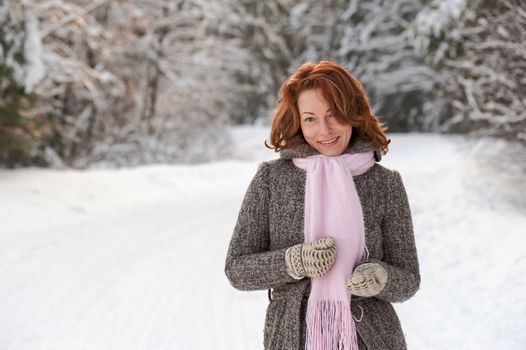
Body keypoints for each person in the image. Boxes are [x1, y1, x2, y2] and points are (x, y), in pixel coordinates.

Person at [224, 60, 420, 350]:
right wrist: (293, 262)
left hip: (373, 339)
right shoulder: (272, 179)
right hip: (292, 339)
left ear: (353, 114)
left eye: (334, 115)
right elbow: (237, 269)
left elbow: (409, 279)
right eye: (311, 119)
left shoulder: (385, 183)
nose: (324, 130)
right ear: (298, 122)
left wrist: (381, 277)